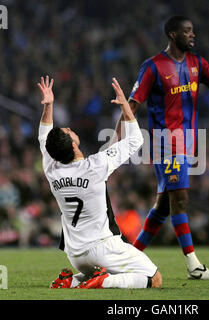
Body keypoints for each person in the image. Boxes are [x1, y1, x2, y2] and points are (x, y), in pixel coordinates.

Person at [112, 15, 209, 280]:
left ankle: (128, 257)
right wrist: (116, 141)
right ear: (173, 35)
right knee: (181, 199)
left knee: (164, 206)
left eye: (193, 31)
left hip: (187, 143)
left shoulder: (196, 63)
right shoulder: (152, 67)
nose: (193, 35)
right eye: (187, 31)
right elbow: (132, 105)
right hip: (165, 143)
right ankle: (194, 266)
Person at [37, 76, 162, 289]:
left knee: (96, 267)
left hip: (75, 254)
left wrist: (48, 105)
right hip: (103, 248)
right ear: (74, 145)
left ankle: (73, 280)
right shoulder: (96, 165)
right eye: (67, 131)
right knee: (155, 279)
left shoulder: (52, 169)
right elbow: (135, 140)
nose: (68, 128)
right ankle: (106, 281)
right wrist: (126, 107)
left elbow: (44, 137)